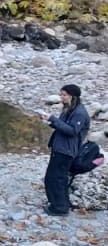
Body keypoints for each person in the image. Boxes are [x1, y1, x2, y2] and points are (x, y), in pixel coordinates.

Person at [39, 84, 90, 216]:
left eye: (64, 95)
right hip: (59, 148)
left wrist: (53, 119)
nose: (61, 97)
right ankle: (57, 203)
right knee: (51, 177)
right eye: (61, 94)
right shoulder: (69, 109)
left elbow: (72, 131)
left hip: (66, 151)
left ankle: (60, 208)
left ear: (73, 96)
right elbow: (62, 126)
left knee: (58, 178)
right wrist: (50, 121)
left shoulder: (80, 112)